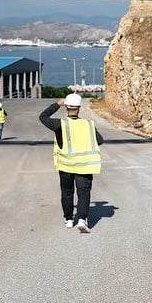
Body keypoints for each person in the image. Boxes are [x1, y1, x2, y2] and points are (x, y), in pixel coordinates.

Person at [39, 93, 103, 233]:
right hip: (85, 166)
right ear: (79, 108)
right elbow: (99, 140)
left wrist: (57, 104)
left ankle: (68, 219)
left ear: (66, 107)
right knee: (83, 193)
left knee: (67, 192)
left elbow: (43, 117)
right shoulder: (88, 124)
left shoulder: (59, 124)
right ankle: (82, 219)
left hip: (66, 166)